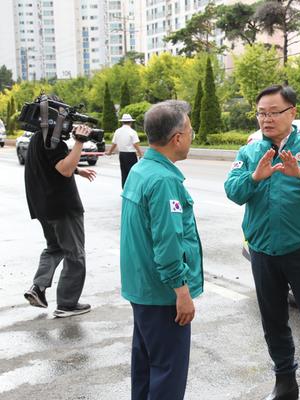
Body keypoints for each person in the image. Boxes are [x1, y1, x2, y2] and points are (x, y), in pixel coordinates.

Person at [224, 85, 300, 400]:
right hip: (263, 251)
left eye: (273, 112)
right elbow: (233, 191)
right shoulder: (250, 152)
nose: (266, 119)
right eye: (261, 113)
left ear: (292, 112)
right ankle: (285, 381)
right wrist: (254, 178)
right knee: (273, 320)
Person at [120, 100, 203, 400]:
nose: (192, 136)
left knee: (145, 368)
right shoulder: (164, 180)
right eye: (190, 130)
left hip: (141, 289)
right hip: (162, 295)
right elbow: (168, 245)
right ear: (177, 138)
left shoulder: (141, 170)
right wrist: (181, 291)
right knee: (168, 374)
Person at [23, 115, 97, 318]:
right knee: (75, 256)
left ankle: (38, 288)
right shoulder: (54, 141)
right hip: (63, 207)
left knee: (54, 248)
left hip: (43, 208)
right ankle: (67, 304)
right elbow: (64, 169)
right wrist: (80, 142)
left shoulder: (39, 137)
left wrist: (78, 170)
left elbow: (53, 166)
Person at [106, 113, 143, 187]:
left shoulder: (117, 131)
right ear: (131, 122)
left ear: (122, 122)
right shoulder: (132, 132)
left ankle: (124, 188)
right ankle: (132, 188)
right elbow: (135, 144)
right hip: (131, 155)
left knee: (124, 172)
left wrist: (109, 152)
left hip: (122, 155)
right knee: (132, 172)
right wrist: (141, 154)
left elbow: (114, 144)